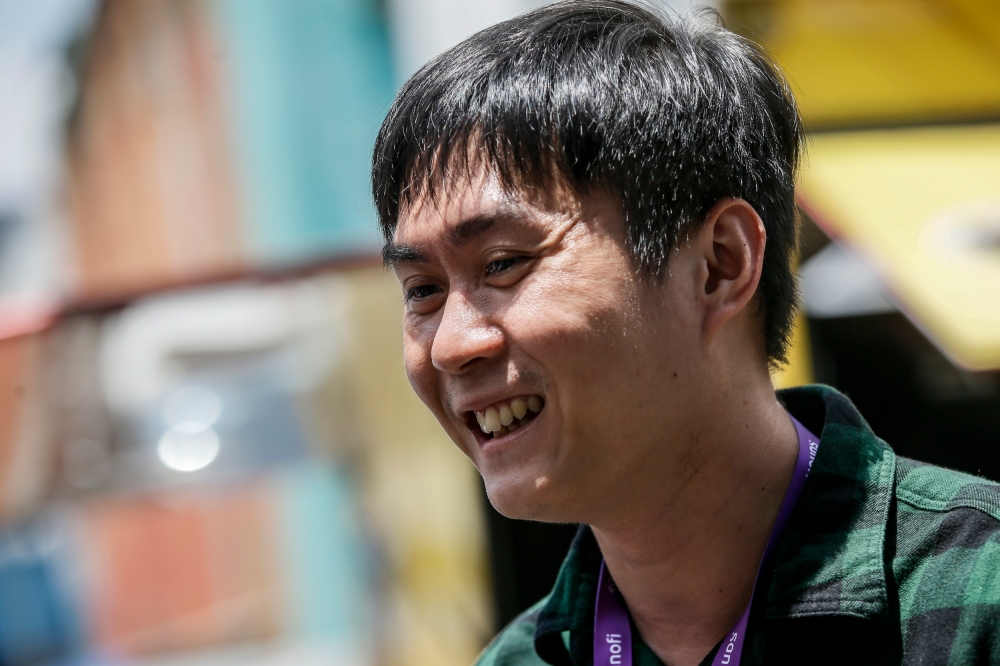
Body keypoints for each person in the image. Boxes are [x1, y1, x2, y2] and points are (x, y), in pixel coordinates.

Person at [370, 2, 1000, 664]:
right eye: (423, 292)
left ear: (720, 265)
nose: (450, 346)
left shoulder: (976, 594)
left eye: (502, 264)